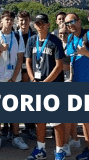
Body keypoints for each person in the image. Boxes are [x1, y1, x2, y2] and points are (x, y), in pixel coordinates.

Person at [24, 14, 67, 160]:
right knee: (39, 120)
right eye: (37, 23)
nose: (39, 25)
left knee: (56, 121)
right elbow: (28, 62)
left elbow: (59, 65)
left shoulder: (55, 41)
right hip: (37, 85)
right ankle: (40, 149)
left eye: (42, 23)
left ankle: (60, 151)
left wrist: (46, 83)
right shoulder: (31, 40)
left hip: (52, 85)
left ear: (48, 25)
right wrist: (32, 79)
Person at [63, 13, 89, 160]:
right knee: (84, 121)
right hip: (78, 83)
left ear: (79, 21)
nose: (70, 25)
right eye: (67, 23)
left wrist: (85, 52)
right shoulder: (71, 38)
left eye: (72, 21)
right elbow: (69, 62)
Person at [0, 11, 28, 151]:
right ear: (1, 21)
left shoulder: (17, 36)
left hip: (13, 79)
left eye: (11, 20)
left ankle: (16, 136)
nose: (9, 22)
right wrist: (0, 50)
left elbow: (20, 59)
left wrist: (13, 78)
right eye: (7, 19)